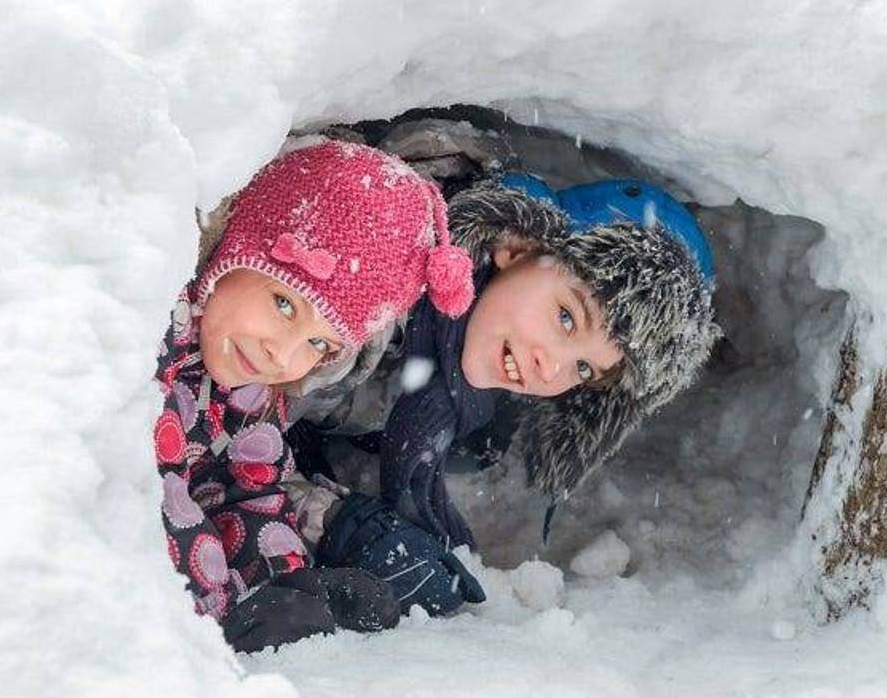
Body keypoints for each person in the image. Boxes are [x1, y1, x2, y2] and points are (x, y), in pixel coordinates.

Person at [288, 124, 722, 618]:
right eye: (566, 317)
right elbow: (223, 426)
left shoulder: (467, 380)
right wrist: (336, 521)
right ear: (516, 247)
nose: (551, 366)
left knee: (478, 447)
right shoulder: (369, 283)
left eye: (584, 368)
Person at [153, 140, 476, 651]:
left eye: (319, 344)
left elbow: (246, 490)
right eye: (284, 304)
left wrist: (289, 585)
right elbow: (148, 505)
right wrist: (224, 609)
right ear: (237, 249)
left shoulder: (250, 383)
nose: (282, 354)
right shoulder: (150, 335)